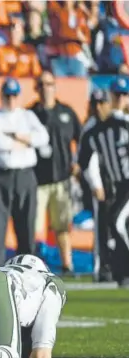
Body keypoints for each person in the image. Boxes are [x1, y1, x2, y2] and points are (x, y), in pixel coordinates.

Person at [0, 77, 49, 266]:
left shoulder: (27, 116)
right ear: (1, 96)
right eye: (7, 96)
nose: (11, 100)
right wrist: (26, 142)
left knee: (26, 228)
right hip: (0, 176)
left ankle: (26, 272)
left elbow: (43, 137)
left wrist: (18, 137)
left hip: (25, 175)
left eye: (14, 96)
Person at [28, 70, 82, 276]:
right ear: (36, 88)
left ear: (55, 86)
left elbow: (82, 138)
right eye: (41, 85)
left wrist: (77, 163)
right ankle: (32, 266)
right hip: (37, 179)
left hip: (62, 179)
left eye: (49, 84)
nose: (45, 88)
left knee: (62, 225)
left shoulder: (66, 112)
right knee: (34, 226)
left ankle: (67, 265)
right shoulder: (30, 113)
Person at [78, 89, 129, 288]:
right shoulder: (91, 130)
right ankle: (121, 271)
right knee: (114, 224)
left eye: (102, 103)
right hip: (117, 186)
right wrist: (95, 184)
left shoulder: (121, 122)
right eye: (95, 104)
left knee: (118, 222)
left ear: (109, 103)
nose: (99, 107)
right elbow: (83, 161)